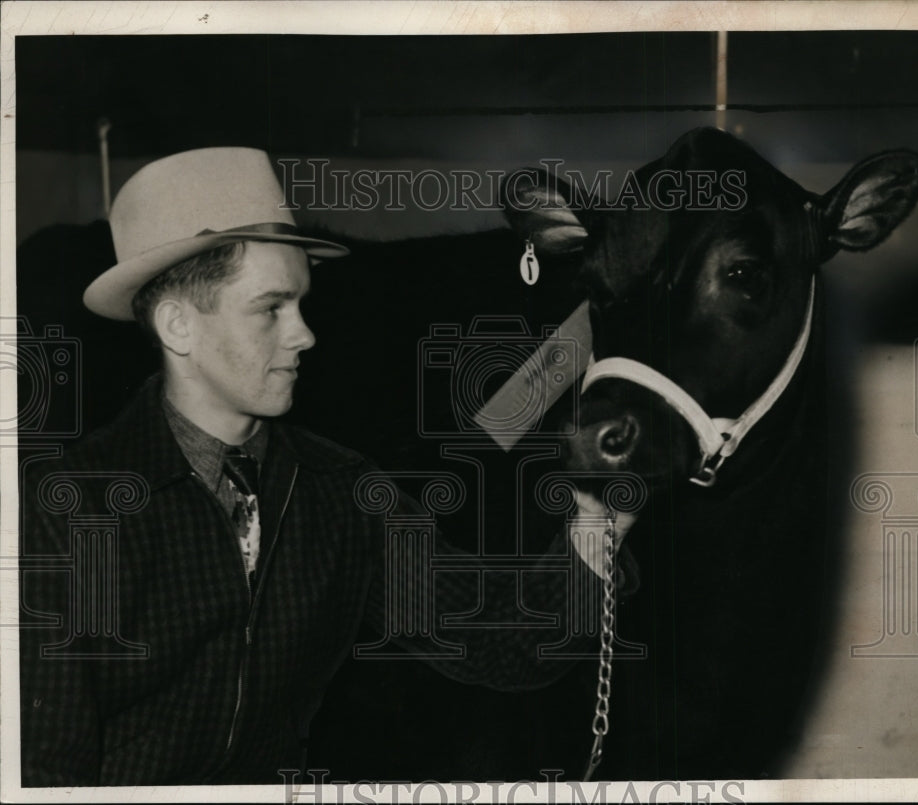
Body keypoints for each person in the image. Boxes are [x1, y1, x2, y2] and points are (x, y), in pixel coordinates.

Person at [18, 148, 633, 786]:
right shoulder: (63, 511)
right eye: (271, 308)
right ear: (178, 326)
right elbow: (42, 769)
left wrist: (599, 520)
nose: (304, 335)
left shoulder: (341, 491)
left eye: (302, 305)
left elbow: (499, 643)